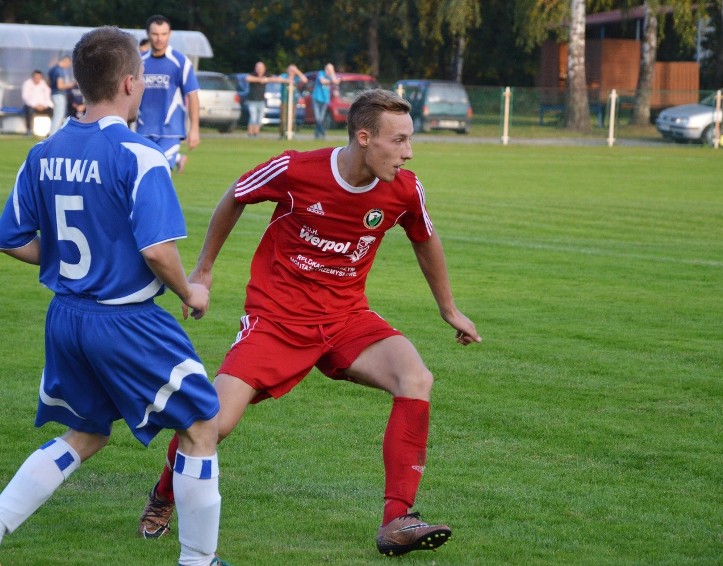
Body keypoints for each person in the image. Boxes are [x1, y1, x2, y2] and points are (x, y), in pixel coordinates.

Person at [138, 88, 480, 557]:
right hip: (277, 321)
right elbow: (236, 194)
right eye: (398, 140)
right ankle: (163, 494)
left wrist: (448, 308)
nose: (408, 152)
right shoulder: (298, 169)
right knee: (213, 423)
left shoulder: (404, 188)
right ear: (365, 138)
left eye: (409, 140)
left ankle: (396, 520)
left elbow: (425, 238)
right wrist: (204, 269)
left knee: (415, 377)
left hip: (346, 318)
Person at [0, 26, 226, 566]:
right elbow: (157, 251)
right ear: (130, 81)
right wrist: (191, 291)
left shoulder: (43, 152)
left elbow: (11, 237)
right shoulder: (139, 154)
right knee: (202, 424)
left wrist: (59, 261)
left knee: (86, 433)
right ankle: (199, 561)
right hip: (125, 321)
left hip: (67, 318)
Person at [137, 14, 200, 174]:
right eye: (155, 34)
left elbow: (192, 95)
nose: (159, 38)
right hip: (143, 131)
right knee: (144, 177)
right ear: (148, 34)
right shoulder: (138, 62)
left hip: (170, 132)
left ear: (170, 34)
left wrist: (194, 129)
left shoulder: (180, 62)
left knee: (160, 173)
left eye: (163, 34)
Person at [244, 61, 275, 137]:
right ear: (256, 68)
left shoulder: (266, 75)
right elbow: (247, 78)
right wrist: (260, 80)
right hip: (252, 100)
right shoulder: (253, 74)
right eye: (259, 68)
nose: (260, 69)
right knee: (253, 117)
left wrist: (266, 79)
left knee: (260, 118)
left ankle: (256, 133)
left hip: (261, 101)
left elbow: (273, 79)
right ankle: (250, 132)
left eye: (262, 68)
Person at [278, 63, 307, 140]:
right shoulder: (284, 76)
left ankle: (291, 134)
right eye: (290, 69)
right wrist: (287, 80)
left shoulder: (296, 78)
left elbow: (305, 80)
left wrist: (297, 71)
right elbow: (277, 79)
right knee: (283, 118)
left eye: (293, 70)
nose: (291, 71)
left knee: (292, 118)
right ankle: (282, 134)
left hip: (293, 101)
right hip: (284, 100)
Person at [47, 55, 75, 135]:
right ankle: (53, 134)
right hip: (59, 94)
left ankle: (53, 133)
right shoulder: (60, 70)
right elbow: (60, 86)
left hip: (53, 94)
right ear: (66, 61)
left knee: (57, 115)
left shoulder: (52, 69)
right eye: (69, 64)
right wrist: (71, 85)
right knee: (59, 116)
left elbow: (48, 82)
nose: (68, 66)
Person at [311, 62, 340, 139]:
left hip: (325, 100)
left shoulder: (331, 76)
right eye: (327, 69)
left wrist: (332, 73)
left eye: (330, 69)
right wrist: (332, 81)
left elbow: (335, 81)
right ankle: (322, 131)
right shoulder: (321, 73)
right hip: (317, 98)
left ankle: (317, 135)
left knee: (321, 118)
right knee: (317, 118)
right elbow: (322, 81)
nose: (328, 70)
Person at [21, 70, 53, 136]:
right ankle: (29, 130)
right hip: (31, 106)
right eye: (36, 77)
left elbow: (48, 96)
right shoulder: (27, 84)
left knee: (51, 110)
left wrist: (44, 105)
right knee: (28, 110)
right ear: (33, 77)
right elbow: (25, 97)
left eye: (39, 77)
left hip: (43, 106)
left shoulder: (44, 84)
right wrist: (35, 106)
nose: (37, 78)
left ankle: (51, 130)